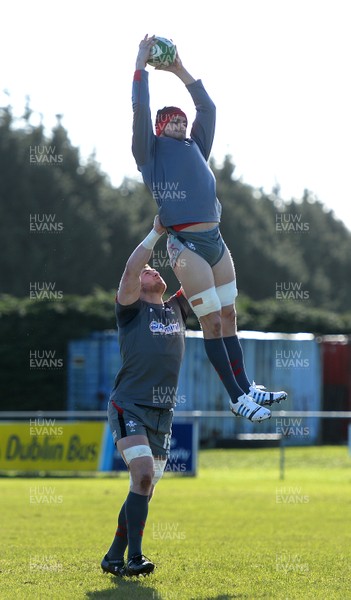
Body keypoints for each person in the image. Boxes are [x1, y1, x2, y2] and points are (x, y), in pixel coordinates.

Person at [131, 34, 287, 423]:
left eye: (184, 120)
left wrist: (179, 68)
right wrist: (140, 63)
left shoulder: (195, 146)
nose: (182, 123)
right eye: (174, 121)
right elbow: (140, 108)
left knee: (230, 316)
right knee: (211, 320)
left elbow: (208, 106)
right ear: (159, 127)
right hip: (185, 246)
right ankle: (236, 398)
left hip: (215, 239)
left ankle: (248, 386)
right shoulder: (148, 152)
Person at [101, 215, 190, 578]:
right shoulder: (131, 309)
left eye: (154, 269)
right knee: (141, 476)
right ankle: (135, 558)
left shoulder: (178, 308)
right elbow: (129, 270)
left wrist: (194, 233)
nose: (151, 270)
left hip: (162, 414)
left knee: (144, 488)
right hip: (129, 405)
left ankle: (112, 557)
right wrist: (156, 231)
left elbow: (204, 277)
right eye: (147, 270)